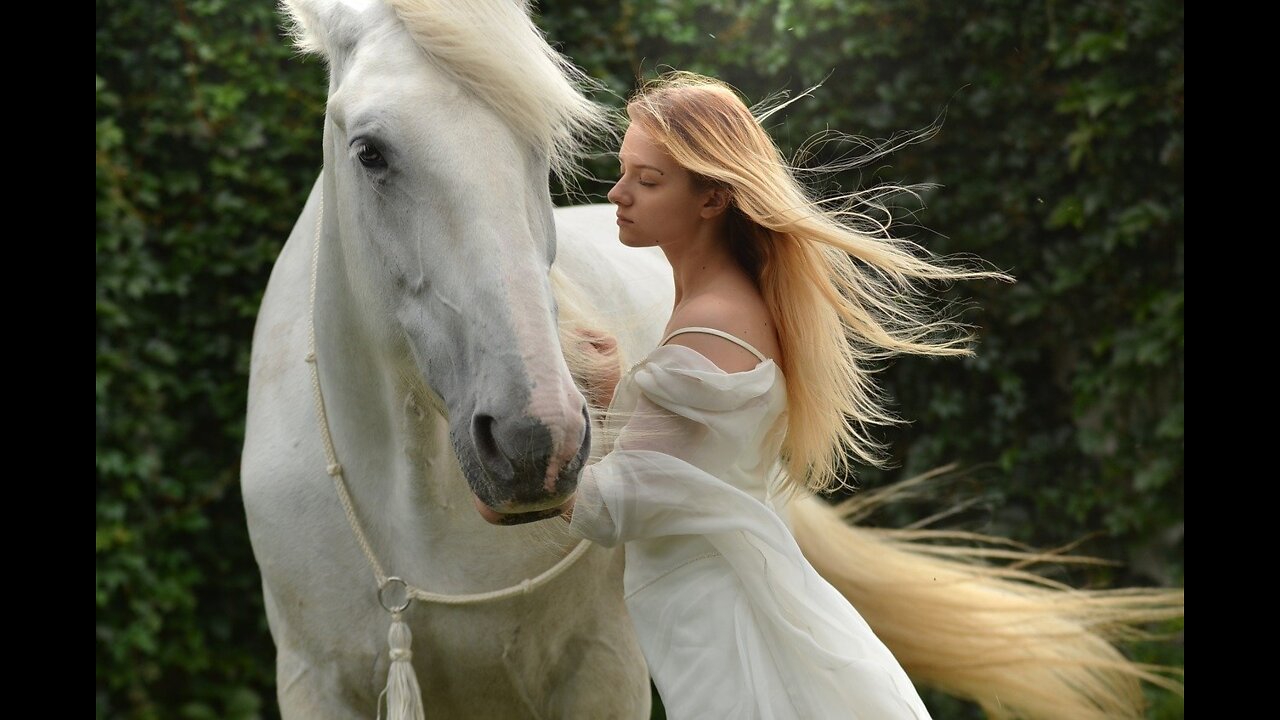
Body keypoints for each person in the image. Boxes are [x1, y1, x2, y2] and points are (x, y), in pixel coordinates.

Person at [560, 71, 1010, 719]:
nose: (617, 193)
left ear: (712, 199)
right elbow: (686, 466)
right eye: (624, 169)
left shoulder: (709, 324)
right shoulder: (724, 303)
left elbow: (609, 511)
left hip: (724, 629)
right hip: (718, 607)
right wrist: (609, 393)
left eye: (647, 180)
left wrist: (515, 482)